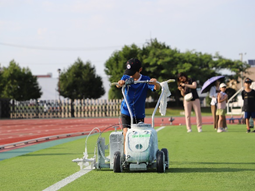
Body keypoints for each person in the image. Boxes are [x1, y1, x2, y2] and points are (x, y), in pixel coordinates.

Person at [116, 58, 160, 153]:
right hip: (126, 110)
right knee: (126, 132)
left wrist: (155, 83)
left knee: (138, 134)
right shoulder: (126, 77)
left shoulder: (145, 79)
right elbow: (118, 85)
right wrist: (120, 83)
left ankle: (138, 154)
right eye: (129, 72)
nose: (130, 74)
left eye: (133, 72)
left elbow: (156, 88)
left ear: (140, 70)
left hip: (139, 112)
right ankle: (126, 155)